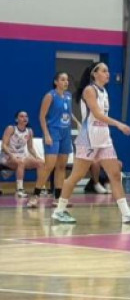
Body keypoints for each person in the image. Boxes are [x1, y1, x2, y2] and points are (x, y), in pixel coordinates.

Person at [50, 62, 130, 224]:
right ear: (94, 74)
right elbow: (97, 114)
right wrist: (119, 124)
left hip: (104, 138)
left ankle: (126, 213)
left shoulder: (104, 92)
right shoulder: (89, 90)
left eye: (108, 71)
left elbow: (102, 117)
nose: (108, 73)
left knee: (115, 174)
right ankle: (59, 211)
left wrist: (111, 130)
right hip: (88, 138)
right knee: (76, 176)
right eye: (104, 71)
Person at [29, 72, 78, 207]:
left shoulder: (68, 96)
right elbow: (41, 116)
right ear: (56, 82)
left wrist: (77, 121)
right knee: (49, 166)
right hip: (53, 132)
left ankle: (58, 198)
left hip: (65, 133)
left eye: (67, 80)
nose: (66, 82)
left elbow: (68, 112)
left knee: (61, 167)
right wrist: (46, 134)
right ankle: (35, 195)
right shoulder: (50, 96)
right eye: (62, 79)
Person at [1, 111, 44, 198]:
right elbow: (4, 145)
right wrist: (12, 155)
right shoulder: (11, 128)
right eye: (22, 116)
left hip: (21, 156)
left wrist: (36, 157)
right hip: (7, 156)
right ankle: (19, 190)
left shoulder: (29, 131)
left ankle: (40, 188)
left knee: (40, 162)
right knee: (21, 162)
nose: (25, 118)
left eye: (26, 116)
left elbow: (30, 148)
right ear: (16, 119)